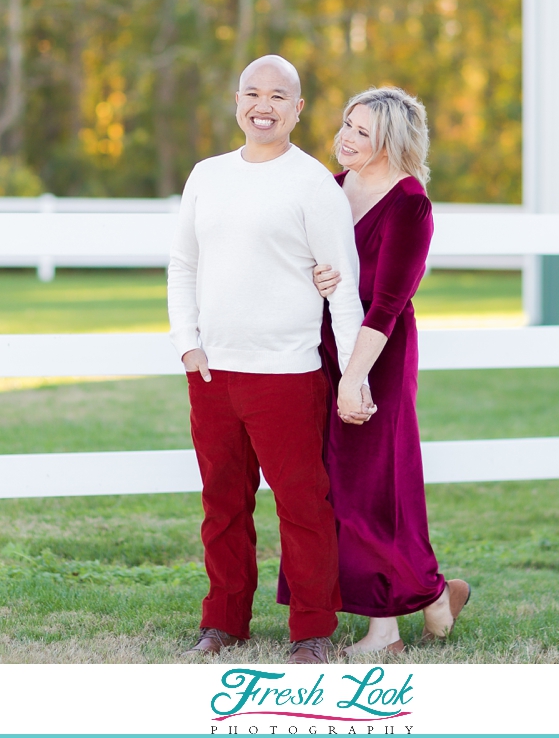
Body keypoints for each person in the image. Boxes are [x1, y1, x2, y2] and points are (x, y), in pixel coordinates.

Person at [167, 55, 364, 664]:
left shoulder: (312, 183)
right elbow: (184, 264)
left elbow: (346, 285)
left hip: (287, 372)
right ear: (236, 102)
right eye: (253, 93)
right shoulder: (206, 175)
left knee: (302, 505)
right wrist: (187, 340)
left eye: (279, 96)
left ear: (297, 109)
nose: (264, 105)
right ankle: (224, 621)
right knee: (222, 503)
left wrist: (352, 376)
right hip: (213, 371)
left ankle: (312, 631)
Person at [289, 86, 470, 653]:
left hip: (378, 356)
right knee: (332, 484)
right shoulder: (332, 188)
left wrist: (354, 376)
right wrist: (314, 275)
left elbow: (388, 301)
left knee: (373, 484)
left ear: (391, 141)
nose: (345, 137)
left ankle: (384, 630)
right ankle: (435, 596)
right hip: (324, 349)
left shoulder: (410, 203)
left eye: (362, 132)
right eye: (346, 123)